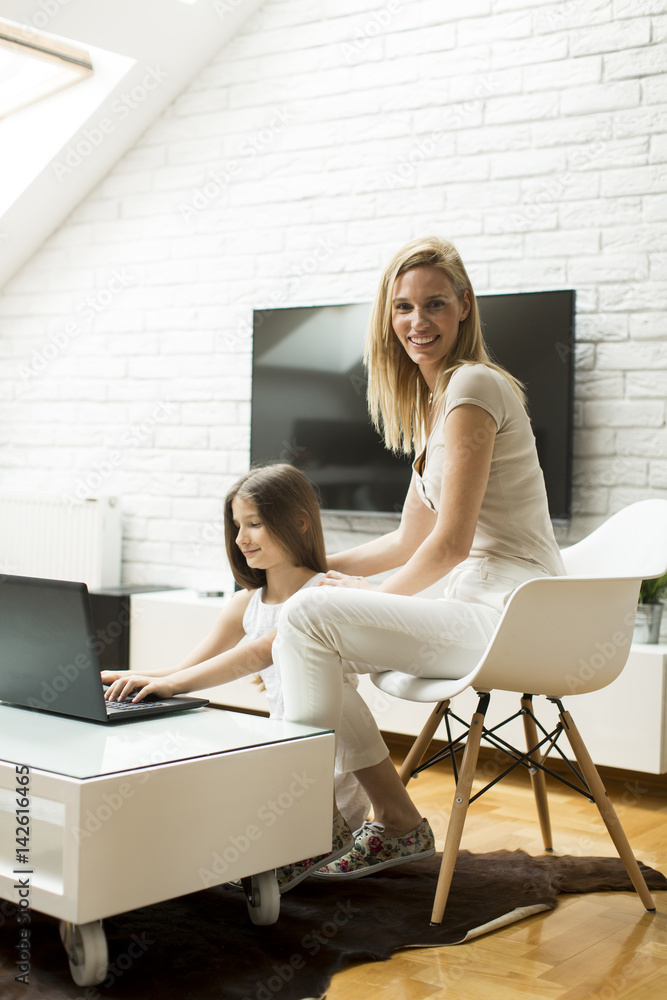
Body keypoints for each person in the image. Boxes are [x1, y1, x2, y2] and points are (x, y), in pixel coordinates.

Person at [273, 235, 566, 882]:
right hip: (474, 601)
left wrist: (347, 599)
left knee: (306, 620)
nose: (416, 322)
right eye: (402, 308)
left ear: (463, 306)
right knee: (296, 619)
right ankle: (387, 822)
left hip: (512, 613)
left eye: (433, 304)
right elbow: (407, 542)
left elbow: (449, 545)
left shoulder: (472, 387)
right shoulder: (435, 406)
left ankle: (295, 827)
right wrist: (308, 566)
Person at [101, 463, 370, 889]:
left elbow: (253, 655)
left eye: (255, 524)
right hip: (283, 756)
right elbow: (185, 669)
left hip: (328, 774)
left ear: (298, 523)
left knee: (222, 841)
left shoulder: (324, 594)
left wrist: (173, 684)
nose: (241, 538)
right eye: (237, 526)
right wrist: (128, 677)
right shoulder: (246, 602)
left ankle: (316, 839)